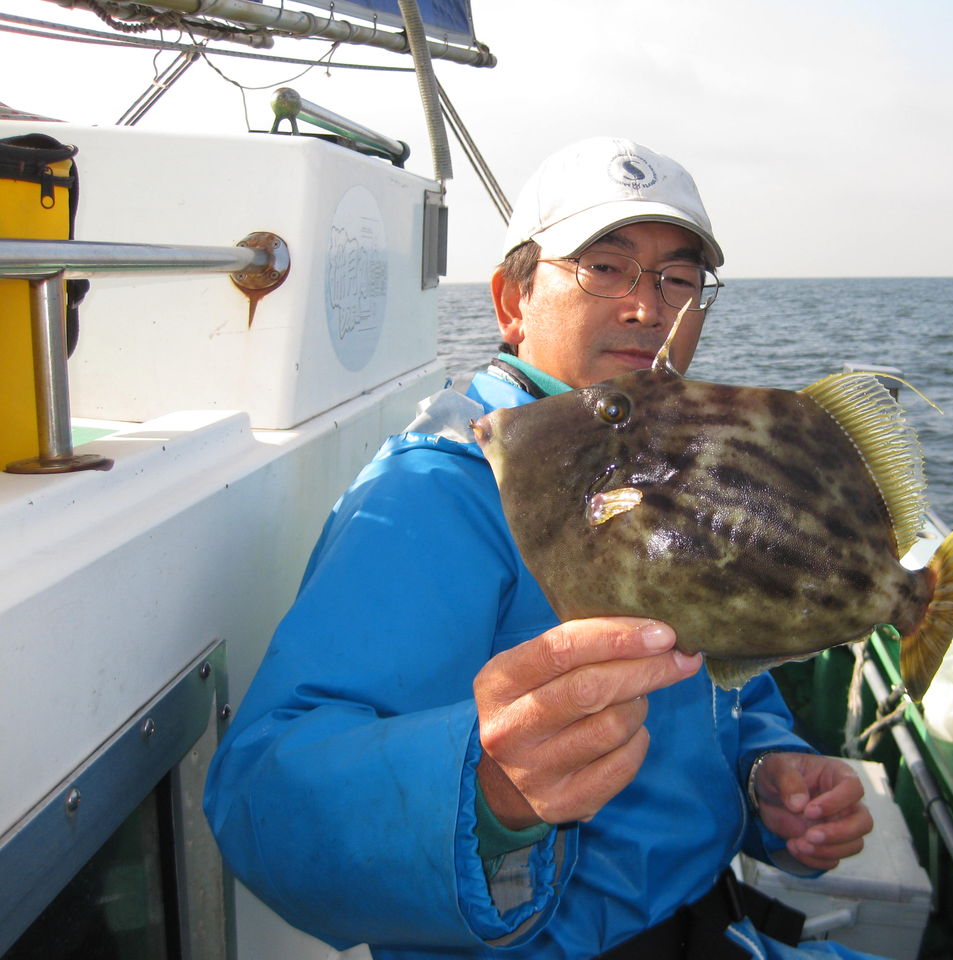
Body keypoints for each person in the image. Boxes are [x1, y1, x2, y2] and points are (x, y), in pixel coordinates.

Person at [203, 137, 876, 959]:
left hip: (712, 925)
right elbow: (262, 795)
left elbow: (721, 685)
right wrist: (484, 792)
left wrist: (769, 774)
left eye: (678, 278)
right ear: (512, 302)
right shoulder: (441, 490)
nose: (648, 306)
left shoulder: (683, 462)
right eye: (605, 266)